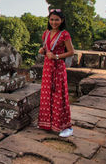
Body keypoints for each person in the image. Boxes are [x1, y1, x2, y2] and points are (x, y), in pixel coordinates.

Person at [38, 8, 74, 137]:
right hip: (48, 67)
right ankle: (47, 123)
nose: (54, 22)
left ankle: (65, 126)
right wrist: (42, 50)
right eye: (52, 19)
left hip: (58, 67)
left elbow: (71, 52)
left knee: (60, 95)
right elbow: (46, 47)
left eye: (56, 19)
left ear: (62, 20)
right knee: (47, 94)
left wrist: (57, 56)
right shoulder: (46, 33)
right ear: (49, 20)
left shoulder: (64, 34)